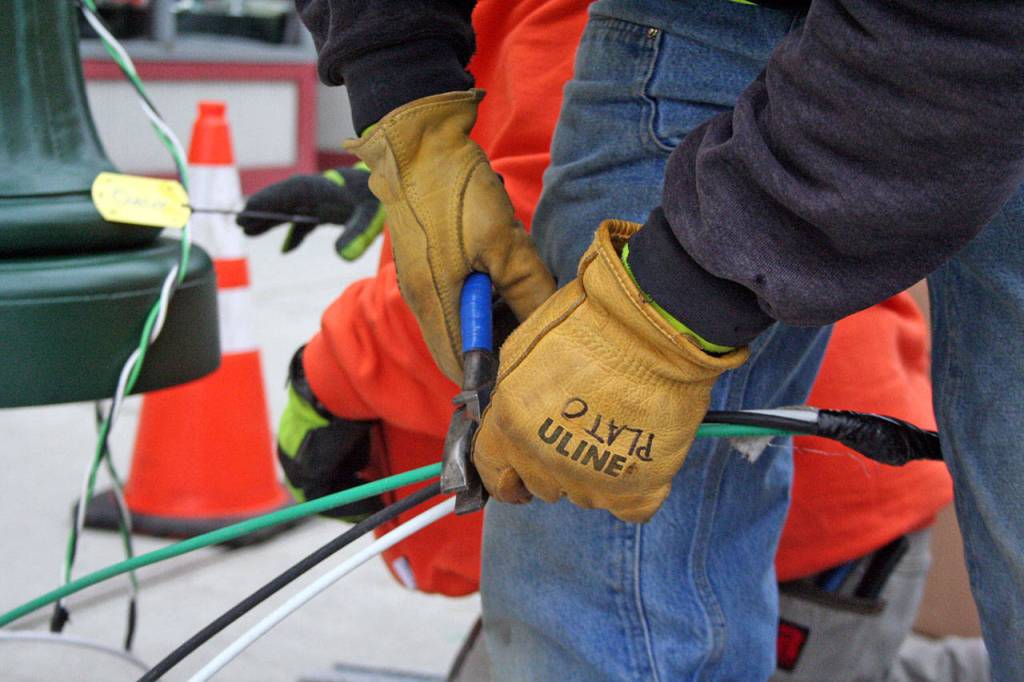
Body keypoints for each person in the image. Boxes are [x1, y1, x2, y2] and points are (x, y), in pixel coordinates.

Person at [284, 0, 1023, 678]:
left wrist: (334, 373)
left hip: (817, 545)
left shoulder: (559, 17)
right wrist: (395, 92)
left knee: (593, 632)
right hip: (857, 533)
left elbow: (543, 291)